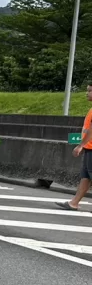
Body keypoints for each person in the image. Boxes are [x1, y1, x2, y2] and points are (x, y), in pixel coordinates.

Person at [57, 83, 92, 211]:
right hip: (89, 147)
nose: (87, 93)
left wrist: (80, 146)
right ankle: (74, 202)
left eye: (90, 91)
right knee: (86, 177)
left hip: (90, 147)